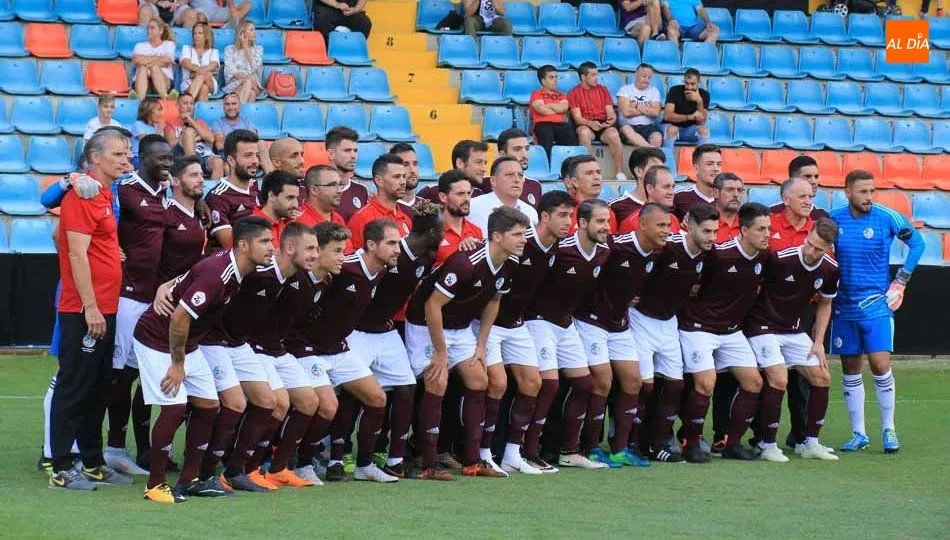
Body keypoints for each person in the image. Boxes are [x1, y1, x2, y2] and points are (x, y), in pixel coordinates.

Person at [133, 217, 273, 503]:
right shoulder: (217, 274)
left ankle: (190, 480)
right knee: (174, 407)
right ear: (244, 245)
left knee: (209, 405)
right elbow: (179, 317)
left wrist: (166, 287)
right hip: (157, 339)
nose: (272, 248)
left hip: (188, 342)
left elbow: (189, 276)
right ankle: (155, 485)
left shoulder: (233, 267)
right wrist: (177, 364)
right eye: (265, 242)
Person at [405, 206, 527, 478]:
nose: (523, 240)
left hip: (460, 328)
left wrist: (481, 346)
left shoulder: (511, 263)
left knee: (479, 381)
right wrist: (440, 352)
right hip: (426, 324)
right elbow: (432, 306)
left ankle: (472, 461)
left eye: (524, 234)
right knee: (437, 381)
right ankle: (428, 463)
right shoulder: (466, 263)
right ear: (496, 236)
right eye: (517, 234)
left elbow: (494, 301)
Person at [48, 129, 134, 491]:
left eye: (127, 153)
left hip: (105, 306)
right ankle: (61, 468)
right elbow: (75, 253)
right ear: (95, 158)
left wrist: (111, 255)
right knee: (74, 386)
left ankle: (93, 462)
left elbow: (88, 244)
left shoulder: (102, 192)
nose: (126, 159)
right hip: (86, 309)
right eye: (117, 153)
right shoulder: (81, 194)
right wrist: (90, 307)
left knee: (99, 386)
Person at [294, 219, 403, 483]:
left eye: (398, 243)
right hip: (310, 350)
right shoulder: (343, 268)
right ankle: (304, 463)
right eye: (391, 243)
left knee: (377, 398)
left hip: (339, 349)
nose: (397, 249)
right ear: (371, 245)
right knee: (327, 407)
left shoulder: (380, 270)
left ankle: (365, 466)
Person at [350, 200, 447, 479]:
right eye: (442, 228)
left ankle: (395, 459)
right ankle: (338, 456)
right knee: (349, 393)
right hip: (357, 330)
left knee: (405, 389)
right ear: (433, 233)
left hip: (385, 330)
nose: (446, 233)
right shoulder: (390, 256)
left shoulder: (426, 257)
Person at [830, 170, 924, 454]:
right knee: (849, 369)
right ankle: (858, 433)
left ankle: (888, 429)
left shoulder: (886, 216)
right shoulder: (834, 219)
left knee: (880, 365)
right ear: (848, 192)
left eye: (872, 191)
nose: (868, 197)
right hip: (843, 306)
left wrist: (901, 280)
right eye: (862, 192)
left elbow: (917, 243)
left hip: (876, 306)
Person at [575, 203, 670, 468]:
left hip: (620, 324)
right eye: (661, 225)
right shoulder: (615, 246)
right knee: (602, 381)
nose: (667, 231)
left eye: (669, 225)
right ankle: (590, 447)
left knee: (633, 381)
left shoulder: (657, 252)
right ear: (642, 225)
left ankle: (619, 448)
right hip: (591, 321)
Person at [677, 203, 770, 463]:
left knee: (754, 382)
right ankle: (690, 443)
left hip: (731, 331)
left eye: (769, 228)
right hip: (699, 328)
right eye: (761, 229)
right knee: (706, 383)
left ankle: (732, 443)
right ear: (744, 230)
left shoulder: (764, 257)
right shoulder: (718, 254)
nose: (767, 234)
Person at [104, 135, 175, 477]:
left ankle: (136, 449)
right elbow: (102, 220)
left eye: (170, 158)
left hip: (153, 296)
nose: (167, 163)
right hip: (127, 293)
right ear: (142, 158)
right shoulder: (124, 188)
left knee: (139, 374)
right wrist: (109, 248)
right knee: (119, 375)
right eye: (160, 158)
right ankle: (112, 447)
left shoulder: (165, 193)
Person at [744, 218, 841, 462]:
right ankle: (767, 445)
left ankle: (810, 443)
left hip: (795, 331)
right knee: (779, 378)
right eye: (809, 243)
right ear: (808, 234)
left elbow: (825, 303)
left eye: (818, 248)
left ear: (829, 248)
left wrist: (818, 342)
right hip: (763, 327)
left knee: (822, 376)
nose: (811, 251)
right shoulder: (780, 258)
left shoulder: (830, 268)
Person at [525, 200, 611, 469]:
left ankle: (569, 451)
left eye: (607, 221)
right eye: (599, 221)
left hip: (566, 324)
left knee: (585, 384)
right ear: (583, 223)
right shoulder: (561, 249)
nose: (606, 227)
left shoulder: (604, 252)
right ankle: (530, 451)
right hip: (539, 321)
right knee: (549, 385)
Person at [630, 203, 718, 462]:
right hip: (641, 319)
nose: (712, 238)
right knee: (644, 386)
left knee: (675, 385)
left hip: (669, 323)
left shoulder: (706, 255)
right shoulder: (666, 249)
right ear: (689, 227)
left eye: (715, 232)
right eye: (706, 231)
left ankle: (658, 443)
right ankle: (632, 443)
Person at [495, 190, 576, 474]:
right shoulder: (521, 244)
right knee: (492, 386)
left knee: (535, 383)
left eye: (571, 215)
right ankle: (481, 454)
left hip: (519, 323)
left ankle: (515, 454)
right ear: (544, 217)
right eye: (563, 216)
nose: (569, 222)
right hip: (490, 324)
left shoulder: (554, 248)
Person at [280, 222, 350, 482]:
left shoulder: (328, 280)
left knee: (327, 406)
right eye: (337, 251)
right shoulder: (294, 278)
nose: (342, 257)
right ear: (318, 251)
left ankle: (302, 460)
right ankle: (285, 458)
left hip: (304, 350)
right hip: (283, 349)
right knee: (310, 404)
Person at [568, 62, 626, 181]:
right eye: (593, 75)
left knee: (614, 134)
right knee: (583, 133)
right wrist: (591, 123)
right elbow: (578, 119)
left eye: (597, 74)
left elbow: (611, 113)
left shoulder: (603, 90)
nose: (596, 78)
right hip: (586, 124)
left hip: (603, 124)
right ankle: (588, 172)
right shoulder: (573, 93)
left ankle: (620, 172)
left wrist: (610, 121)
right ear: (583, 77)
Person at [205, 129, 261, 251]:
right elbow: (230, 245)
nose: (255, 161)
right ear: (231, 160)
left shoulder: (256, 187)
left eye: (257, 155)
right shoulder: (218, 197)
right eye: (248, 155)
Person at [346, 154, 412, 249]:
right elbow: (354, 259)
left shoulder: (405, 218)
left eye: (404, 176)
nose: (403, 182)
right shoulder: (362, 219)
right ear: (379, 180)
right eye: (397, 177)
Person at [469, 156, 539, 235]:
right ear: (493, 181)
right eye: (510, 175)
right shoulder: (473, 207)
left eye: (520, 175)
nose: (517, 180)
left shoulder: (530, 212)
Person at [165, 93, 225, 179]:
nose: (189, 106)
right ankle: (193, 168)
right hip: (181, 156)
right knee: (188, 132)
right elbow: (172, 144)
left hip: (202, 155)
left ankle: (212, 192)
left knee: (218, 162)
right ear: (178, 106)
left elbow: (211, 139)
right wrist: (191, 138)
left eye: (191, 103)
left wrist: (190, 120)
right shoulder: (171, 123)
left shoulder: (199, 122)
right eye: (185, 103)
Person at [296, 165, 354, 252]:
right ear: (314, 190)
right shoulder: (298, 221)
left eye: (340, 185)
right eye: (333, 185)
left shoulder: (338, 219)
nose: (339, 191)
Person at [434, 169, 482, 265]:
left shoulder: (476, 231)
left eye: (468, 193)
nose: (466, 199)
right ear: (443, 197)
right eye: (460, 194)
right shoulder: (432, 232)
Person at [417, 140, 490, 203]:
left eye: (485, 163)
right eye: (479, 162)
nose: (484, 169)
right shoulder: (432, 191)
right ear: (460, 163)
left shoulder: (482, 196)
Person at [530, 66, 578, 158]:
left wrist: (549, 106)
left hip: (561, 125)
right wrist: (556, 108)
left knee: (570, 137)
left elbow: (563, 108)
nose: (555, 80)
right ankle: (547, 166)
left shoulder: (562, 95)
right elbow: (542, 110)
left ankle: (570, 166)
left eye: (556, 77)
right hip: (542, 124)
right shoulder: (536, 94)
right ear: (543, 81)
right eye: (551, 77)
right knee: (545, 138)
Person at [608, 146, 665, 223]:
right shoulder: (615, 206)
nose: (661, 173)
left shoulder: (669, 204)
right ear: (639, 171)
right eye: (655, 168)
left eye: (663, 169)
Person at [564, 155, 618, 232]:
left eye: (598, 172)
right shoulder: (565, 212)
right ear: (575, 182)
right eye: (589, 173)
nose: (596, 177)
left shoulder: (608, 212)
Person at [619, 165, 680, 233]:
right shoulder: (632, 222)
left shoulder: (673, 219)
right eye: (666, 187)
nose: (672, 192)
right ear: (649, 188)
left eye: (673, 187)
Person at [495, 128, 543, 211]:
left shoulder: (535, 185)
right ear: (502, 154)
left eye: (527, 149)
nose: (524, 154)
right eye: (517, 149)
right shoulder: (486, 184)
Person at [617, 64, 663, 148]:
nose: (646, 80)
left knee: (657, 137)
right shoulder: (625, 89)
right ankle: (651, 149)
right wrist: (647, 109)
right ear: (636, 75)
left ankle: (651, 156)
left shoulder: (654, 91)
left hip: (648, 126)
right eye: (644, 76)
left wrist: (636, 106)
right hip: (629, 126)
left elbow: (656, 113)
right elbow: (626, 112)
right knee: (626, 130)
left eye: (649, 77)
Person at [326, 126, 367, 221]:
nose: (353, 156)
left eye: (355, 151)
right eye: (347, 150)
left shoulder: (361, 191)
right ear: (331, 154)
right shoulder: (313, 188)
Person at [131, 19, 178, 101]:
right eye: (148, 28)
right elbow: (136, 60)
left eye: (152, 28)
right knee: (143, 68)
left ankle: (165, 98)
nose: (149, 30)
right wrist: (159, 58)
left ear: (161, 30)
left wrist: (146, 61)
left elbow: (167, 60)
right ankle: (139, 101)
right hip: (143, 80)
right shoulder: (139, 45)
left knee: (154, 68)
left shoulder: (169, 44)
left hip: (164, 81)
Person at [662, 68, 710, 147]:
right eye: (686, 83)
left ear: (699, 82)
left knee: (704, 131)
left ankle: (702, 158)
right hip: (670, 126)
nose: (689, 87)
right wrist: (688, 117)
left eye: (692, 84)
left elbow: (701, 122)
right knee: (672, 130)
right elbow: (667, 116)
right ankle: (667, 158)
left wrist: (699, 101)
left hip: (689, 130)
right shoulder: (675, 90)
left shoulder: (704, 94)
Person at [251, 170, 300, 246]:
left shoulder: (291, 225)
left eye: (296, 198)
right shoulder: (250, 226)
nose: (295, 205)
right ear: (272, 196)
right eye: (290, 198)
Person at [770, 177, 820, 251]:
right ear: (786, 200)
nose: (808, 202)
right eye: (802, 197)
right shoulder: (768, 225)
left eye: (810, 197)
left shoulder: (818, 231)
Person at [672, 143, 720, 219]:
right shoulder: (679, 197)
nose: (716, 169)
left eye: (719, 164)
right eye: (709, 164)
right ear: (696, 168)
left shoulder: (725, 199)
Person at [223, 20, 264, 104]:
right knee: (251, 93)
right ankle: (240, 115)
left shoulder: (258, 49)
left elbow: (256, 67)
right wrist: (242, 75)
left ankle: (235, 113)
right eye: (251, 30)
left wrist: (246, 47)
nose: (255, 33)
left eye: (254, 30)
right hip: (235, 83)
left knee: (248, 82)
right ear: (242, 33)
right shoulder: (230, 49)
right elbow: (229, 69)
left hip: (252, 82)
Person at [179, 22, 219, 102]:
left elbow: (214, 65)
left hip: (210, 83)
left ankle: (187, 104)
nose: (196, 36)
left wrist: (195, 72)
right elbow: (186, 63)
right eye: (195, 33)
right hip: (188, 83)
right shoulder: (187, 48)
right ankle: (199, 113)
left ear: (206, 35)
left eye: (200, 33)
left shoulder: (213, 51)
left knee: (201, 76)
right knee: (204, 88)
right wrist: (204, 71)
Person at [712, 172, 744, 242]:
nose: (736, 195)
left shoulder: (749, 223)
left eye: (739, 190)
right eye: (730, 190)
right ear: (716, 193)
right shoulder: (702, 221)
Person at [390, 143, 422, 209]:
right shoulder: (384, 208)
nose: (412, 170)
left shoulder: (427, 208)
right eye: (405, 165)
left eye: (415, 164)